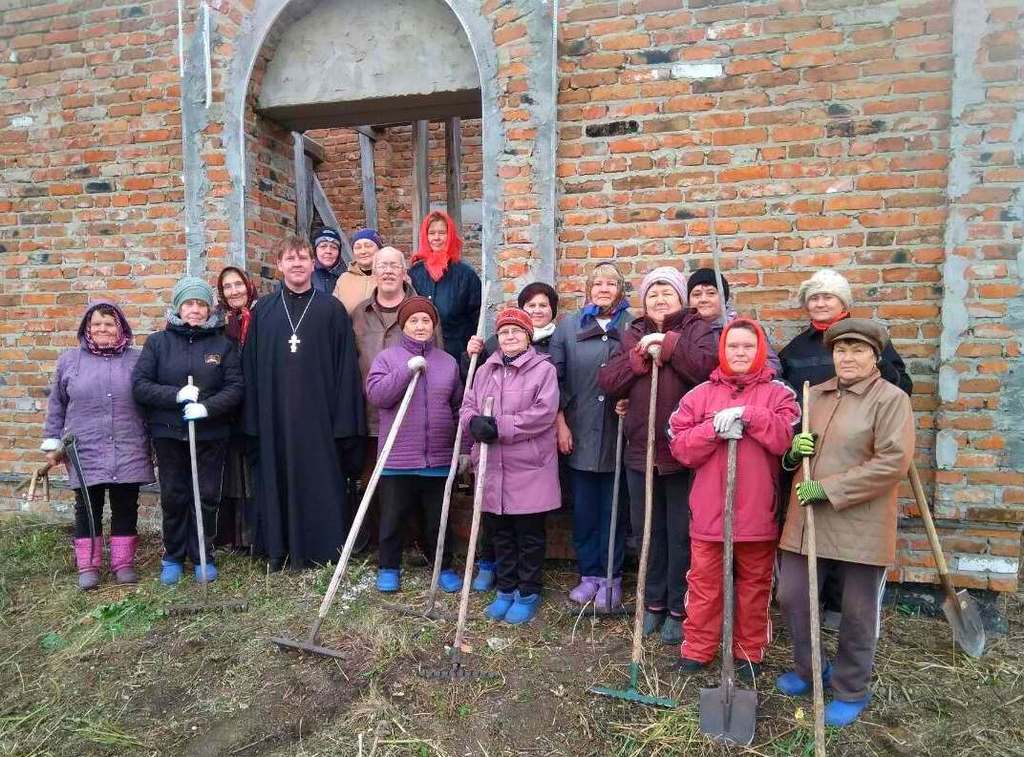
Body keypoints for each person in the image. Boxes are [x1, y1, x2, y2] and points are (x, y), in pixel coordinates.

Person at [775, 319, 914, 727]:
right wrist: (790, 453)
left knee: (856, 610)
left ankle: (851, 687)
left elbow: (893, 463)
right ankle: (810, 670)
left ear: (874, 356)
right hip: (808, 518)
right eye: (840, 350)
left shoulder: (890, 399)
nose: (847, 357)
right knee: (792, 594)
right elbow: (799, 455)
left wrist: (829, 488)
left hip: (860, 519)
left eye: (857, 350)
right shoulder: (814, 395)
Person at [778, 268, 913, 628]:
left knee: (853, 578)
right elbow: (786, 402)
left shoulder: (876, 353)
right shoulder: (795, 351)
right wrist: (793, 449)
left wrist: (876, 394)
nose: (820, 303)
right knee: (803, 570)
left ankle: (843, 638)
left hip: (858, 462)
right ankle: (811, 641)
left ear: (844, 302)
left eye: (828, 296)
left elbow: (900, 391)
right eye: (814, 297)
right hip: (813, 464)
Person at [667, 319, 799, 679]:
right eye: (733, 347)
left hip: (758, 512)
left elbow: (786, 440)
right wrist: (712, 430)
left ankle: (749, 652)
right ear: (722, 351)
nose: (740, 353)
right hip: (710, 512)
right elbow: (679, 447)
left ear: (760, 351)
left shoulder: (780, 394)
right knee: (705, 585)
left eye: (747, 347)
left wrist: (750, 416)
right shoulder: (698, 396)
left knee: (754, 588)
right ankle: (697, 649)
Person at [598, 266, 718, 645]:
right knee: (647, 530)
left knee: (680, 533)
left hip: (682, 453)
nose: (659, 299)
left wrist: (667, 346)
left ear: (681, 299)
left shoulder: (697, 329)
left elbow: (706, 370)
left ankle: (679, 609)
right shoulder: (632, 332)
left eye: (667, 292)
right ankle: (651, 603)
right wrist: (640, 356)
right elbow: (609, 380)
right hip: (640, 450)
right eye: (653, 293)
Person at [244, 235, 366, 571]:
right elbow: (250, 370)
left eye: (303, 257)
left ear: (313, 264)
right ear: (279, 265)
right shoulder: (264, 312)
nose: (297, 263)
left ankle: (321, 548)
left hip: (319, 420)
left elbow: (346, 370)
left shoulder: (331, 310)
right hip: (274, 420)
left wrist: (344, 424)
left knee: (320, 481)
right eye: (290, 258)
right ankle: (277, 549)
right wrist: (252, 420)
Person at [132, 277, 244, 584]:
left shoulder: (222, 345)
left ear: (209, 309)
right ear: (178, 307)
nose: (195, 310)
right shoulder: (158, 343)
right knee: (174, 495)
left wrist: (207, 407)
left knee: (206, 495)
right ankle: (173, 555)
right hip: (169, 433)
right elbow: (140, 386)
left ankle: (203, 554)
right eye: (189, 303)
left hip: (210, 434)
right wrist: (176, 395)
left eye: (201, 304)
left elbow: (235, 388)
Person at [42, 302, 155, 589]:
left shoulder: (137, 360)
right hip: (84, 446)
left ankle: (123, 563)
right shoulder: (70, 361)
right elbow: (57, 404)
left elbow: (149, 399)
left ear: (121, 328)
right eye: (96, 324)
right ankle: (88, 565)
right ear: (86, 328)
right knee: (87, 507)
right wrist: (53, 441)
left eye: (109, 324)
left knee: (125, 504)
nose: (102, 329)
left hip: (128, 443)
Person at [461, 308, 559, 625]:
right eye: (504, 332)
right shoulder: (484, 370)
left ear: (528, 336)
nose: (510, 337)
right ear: (497, 338)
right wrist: (472, 423)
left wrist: (500, 426)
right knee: (500, 534)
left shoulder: (542, 370)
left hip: (529, 466)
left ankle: (527, 592)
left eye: (517, 331)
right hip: (493, 468)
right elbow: (468, 405)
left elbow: (543, 414)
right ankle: (505, 589)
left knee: (528, 536)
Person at [365, 297, 463, 594]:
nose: (420, 326)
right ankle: (389, 567)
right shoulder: (387, 358)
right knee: (393, 517)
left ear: (433, 326)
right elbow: (377, 395)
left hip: (438, 456)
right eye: (413, 321)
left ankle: (442, 566)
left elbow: (458, 406)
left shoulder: (447, 362)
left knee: (438, 519)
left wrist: (463, 448)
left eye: (426, 321)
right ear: (404, 326)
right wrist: (407, 370)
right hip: (398, 456)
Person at [549, 264, 631, 609]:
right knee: (584, 511)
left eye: (610, 283)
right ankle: (589, 575)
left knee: (615, 509)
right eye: (597, 283)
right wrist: (560, 423)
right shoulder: (569, 328)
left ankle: (612, 578)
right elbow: (555, 380)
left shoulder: (631, 327)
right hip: (579, 432)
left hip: (618, 433)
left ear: (620, 290)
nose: (603, 288)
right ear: (587, 289)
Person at [215, 265, 259, 550]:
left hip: (256, 400)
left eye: (238, 284)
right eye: (227, 287)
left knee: (255, 468)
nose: (234, 291)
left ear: (248, 285)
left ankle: (255, 534)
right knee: (232, 471)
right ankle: (233, 536)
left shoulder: (262, 316)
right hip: (228, 402)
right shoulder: (217, 323)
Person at [408, 210, 481, 363]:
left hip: (456, 353)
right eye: (431, 233)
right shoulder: (414, 274)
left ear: (450, 236)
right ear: (425, 236)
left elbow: (477, 318)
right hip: (421, 353)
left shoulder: (466, 275)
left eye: (442, 232)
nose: (436, 238)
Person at [686, 267, 781, 375]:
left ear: (724, 298)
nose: (703, 299)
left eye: (711, 293)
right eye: (696, 294)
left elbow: (772, 365)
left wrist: (746, 377)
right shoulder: (683, 331)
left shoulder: (745, 328)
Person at [334, 228, 384, 313]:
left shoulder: (391, 275)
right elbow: (334, 311)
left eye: (368, 246)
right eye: (358, 247)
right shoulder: (344, 279)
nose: (363, 251)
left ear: (379, 249)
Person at [310, 227, 346, 295]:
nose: (328, 251)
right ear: (315, 250)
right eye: (323, 246)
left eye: (334, 247)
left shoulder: (343, 279)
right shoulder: (304, 275)